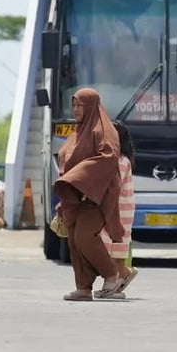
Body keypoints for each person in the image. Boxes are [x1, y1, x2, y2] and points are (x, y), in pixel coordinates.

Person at [56, 88, 125, 301]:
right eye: (74, 105)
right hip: (76, 197)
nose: (76, 109)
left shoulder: (104, 131)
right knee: (74, 240)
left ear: (91, 106)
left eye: (80, 105)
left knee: (85, 236)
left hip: (96, 196)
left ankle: (113, 275)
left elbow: (108, 158)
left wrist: (81, 180)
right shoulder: (78, 131)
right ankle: (83, 287)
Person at [100, 120, 137, 291]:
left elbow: (113, 185)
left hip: (120, 208)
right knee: (115, 243)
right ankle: (122, 273)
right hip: (119, 207)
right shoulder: (120, 159)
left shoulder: (121, 161)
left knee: (115, 242)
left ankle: (118, 275)